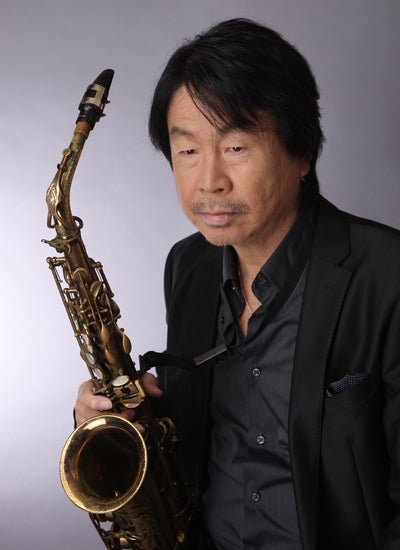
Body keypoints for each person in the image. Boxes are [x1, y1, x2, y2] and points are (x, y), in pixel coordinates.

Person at [75, 18, 400, 550]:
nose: (209, 181)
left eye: (236, 147)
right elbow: (198, 439)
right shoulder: (187, 265)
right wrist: (121, 419)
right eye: (188, 151)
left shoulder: (388, 274)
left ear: (302, 152)